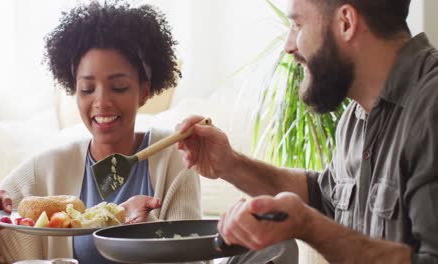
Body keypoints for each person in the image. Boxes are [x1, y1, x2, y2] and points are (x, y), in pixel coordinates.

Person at [177, 0, 438, 263]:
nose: (288, 45)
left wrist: (310, 227)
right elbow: (324, 198)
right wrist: (230, 164)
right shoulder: (355, 117)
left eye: (298, 24)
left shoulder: (431, 108)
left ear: (346, 23)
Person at [0, 1, 201, 263]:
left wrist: (147, 230)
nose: (101, 102)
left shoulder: (174, 159)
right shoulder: (46, 169)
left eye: (119, 87)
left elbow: (195, 255)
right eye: (88, 89)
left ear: (144, 92)